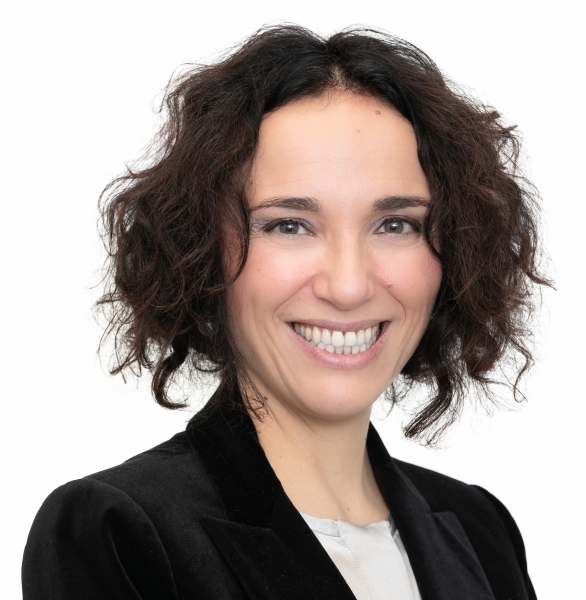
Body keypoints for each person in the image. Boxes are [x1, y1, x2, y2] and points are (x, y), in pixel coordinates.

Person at [22, 25, 549, 599]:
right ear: (201, 250)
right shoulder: (120, 531)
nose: (348, 286)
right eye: (290, 226)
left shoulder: (480, 530)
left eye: (395, 224)